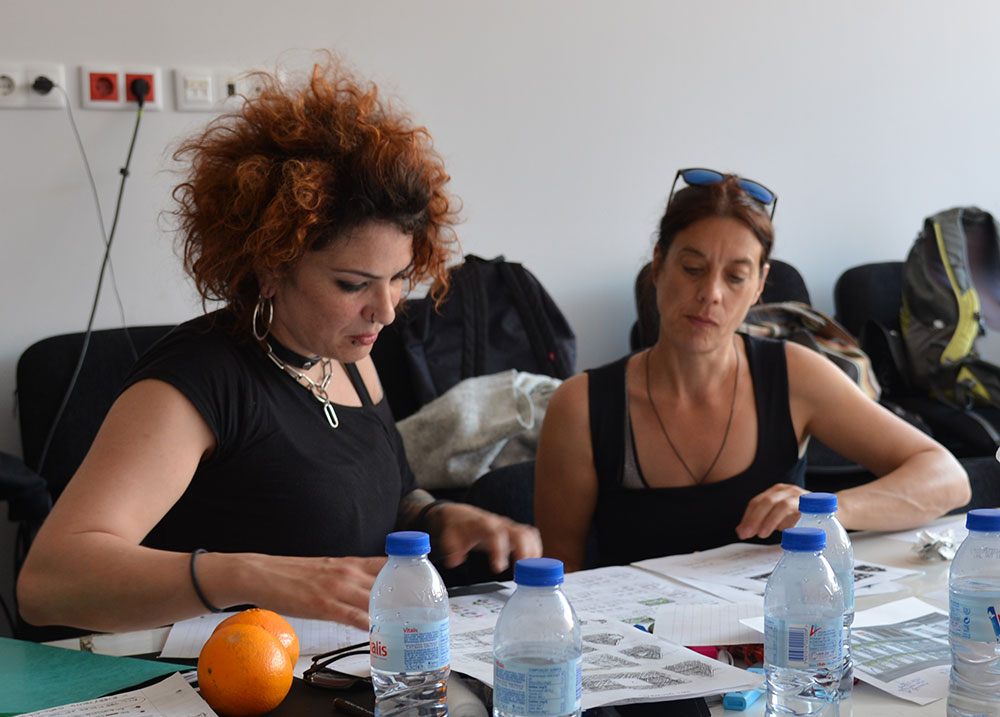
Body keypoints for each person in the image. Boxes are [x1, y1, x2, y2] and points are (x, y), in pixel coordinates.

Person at [16, 60, 541, 634]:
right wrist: (248, 575)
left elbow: (369, 496)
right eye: (353, 284)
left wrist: (436, 515)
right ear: (271, 266)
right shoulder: (192, 386)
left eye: (397, 279)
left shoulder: (347, 355)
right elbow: (48, 584)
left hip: (336, 660)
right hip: (213, 672)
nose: (386, 311)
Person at [535, 169, 971, 572]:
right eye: (692, 269)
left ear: (760, 285)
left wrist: (825, 510)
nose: (711, 293)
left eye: (736, 277)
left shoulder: (795, 374)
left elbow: (948, 478)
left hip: (779, 625)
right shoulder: (581, 406)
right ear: (657, 265)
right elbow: (559, 578)